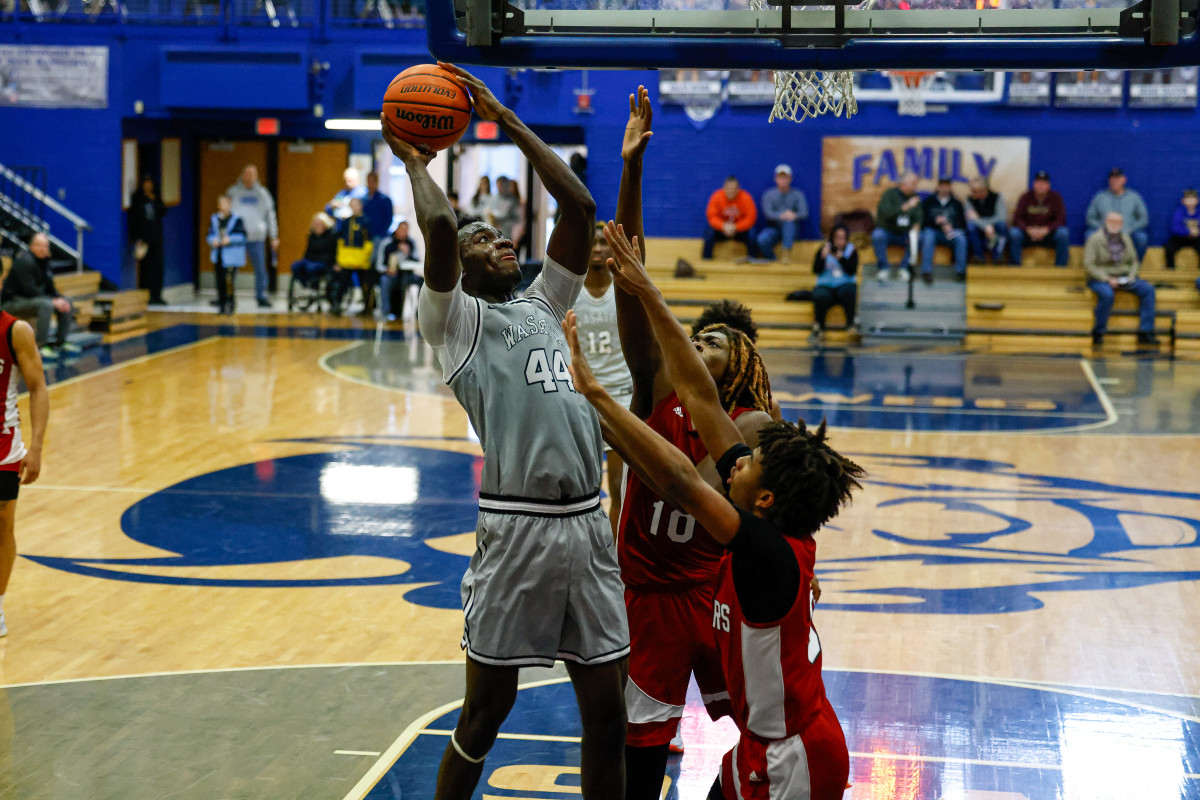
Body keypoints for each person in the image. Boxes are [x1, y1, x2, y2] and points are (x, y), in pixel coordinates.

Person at [380, 61, 628, 800]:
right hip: (517, 529)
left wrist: (507, 119)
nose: (499, 241)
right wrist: (416, 162)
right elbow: (435, 224)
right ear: (457, 264)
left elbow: (579, 206)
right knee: (486, 714)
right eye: (481, 239)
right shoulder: (455, 323)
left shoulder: (543, 304)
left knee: (608, 717)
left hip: (587, 525)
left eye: (497, 234)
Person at [567, 217, 864, 800]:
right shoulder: (762, 517)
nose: (738, 460)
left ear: (764, 499)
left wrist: (596, 394)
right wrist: (647, 289)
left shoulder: (757, 547)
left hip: (791, 755)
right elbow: (700, 395)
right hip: (756, 746)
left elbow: (680, 482)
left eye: (748, 464)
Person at [614, 86, 776, 800]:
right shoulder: (657, 392)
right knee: (640, 747)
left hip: (715, 591)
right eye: (695, 336)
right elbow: (630, 277)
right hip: (649, 592)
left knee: (762, 729)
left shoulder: (755, 432)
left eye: (713, 340)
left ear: (739, 363)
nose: (696, 344)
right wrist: (633, 171)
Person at [572, 222, 634, 535]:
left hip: (622, 397)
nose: (597, 248)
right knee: (584, 491)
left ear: (612, 247)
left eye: (603, 243)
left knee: (621, 491)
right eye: (592, 242)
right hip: (583, 398)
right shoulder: (569, 290)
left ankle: (616, 560)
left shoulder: (624, 287)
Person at [0, 279, 49, 638]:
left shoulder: (16, 331)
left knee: (3, 523)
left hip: (3, 445)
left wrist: (36, 447)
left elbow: (38, 388)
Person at [1084, 211, 1158, 346]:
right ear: (1106, 222)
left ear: (1122, 224)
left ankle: (1145, 331)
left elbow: (1135, 261)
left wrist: (1132, 275)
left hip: (1123, 276)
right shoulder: (1095, 239)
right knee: (1107, 295)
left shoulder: (1125, 238)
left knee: (1148, 289)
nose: (1114, 224)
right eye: (1112, 221)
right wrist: (1107, 279)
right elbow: (1089, 265)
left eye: (1118, 222)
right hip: (1101, 278)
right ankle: (1098, 331)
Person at [1, 234, 76, 360]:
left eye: (45, 246)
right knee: (46, 305)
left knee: (66, 301)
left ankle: (61, 341)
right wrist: (53, 300)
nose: (42, 249)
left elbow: (50, 287)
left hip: (31, 300)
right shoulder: (24, 262)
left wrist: (59, 299)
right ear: (32, 247)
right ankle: (40, 345)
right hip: (12, 303)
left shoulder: (44, 262)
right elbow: (28, 289)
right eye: (39, 246)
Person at [226, 165, 279, 309]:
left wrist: (274, 236)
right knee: (231, 269)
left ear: (256, 177)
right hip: (237, 238)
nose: (249, 177)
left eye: (252, 174)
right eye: (247, 174)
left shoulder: (263, 194)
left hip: (257, 238)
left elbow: (271, 216)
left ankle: (261, 296)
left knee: (260, 269)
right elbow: (225, 213)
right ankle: (228, 296)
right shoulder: (233, 192)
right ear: (242, 175)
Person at [1085, 167, 1149, 261]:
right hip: (1105, 232)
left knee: (1141, 238)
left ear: (1124, 180)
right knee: (1089, 234)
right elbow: (1089, 217)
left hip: (1127, 232)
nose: (1114, 181)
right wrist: (1101, 228)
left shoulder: (1134, 197)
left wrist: (1131, 228)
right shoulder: (1100, 197)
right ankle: (1097, 266)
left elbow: (1144, 218)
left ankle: (1134, 266)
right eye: (1112, 178)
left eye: (1117, 178)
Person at [871, 172, 922, 282]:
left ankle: (904, 268)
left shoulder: (914, 197)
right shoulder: (889, 194)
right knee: (877, 235)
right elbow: (885, 214)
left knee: (919, 237)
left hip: (905, 234)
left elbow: (919, 217)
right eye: (913, 183)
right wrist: (905, 207)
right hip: (888, 231)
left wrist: (917, 226)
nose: (915, 186)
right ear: (903, 183)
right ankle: (883, 268)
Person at [1011, 169, 1069, 266]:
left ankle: (1060, 268)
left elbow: (1061, 219)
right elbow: (1017, 219)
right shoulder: (1025, 197)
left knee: (1063, 233)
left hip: (1048, 234)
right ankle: (1015, 266)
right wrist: (1028, 229)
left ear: (1048, 185)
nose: (1041, 186)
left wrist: (1046, 229)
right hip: (1029, 234)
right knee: (1014, 233)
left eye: (1044, 183)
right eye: (1038, 183)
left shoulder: (1056, 198)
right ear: (1034, 184)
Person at [812, 224, 858, 339]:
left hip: (844, 284)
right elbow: (816, 270)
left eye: (842, 238)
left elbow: (851, 270)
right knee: (820, 295)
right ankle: (819, 326)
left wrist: (840, 258)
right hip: (826, 285)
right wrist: (822, 257)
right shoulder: (824, 249)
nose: (839, 241)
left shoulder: (851, 250)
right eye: (837, 237)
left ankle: (851, 324)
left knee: (849, 292)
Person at [329, 198, 374, 316]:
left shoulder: (366, 221)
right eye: (352, 205)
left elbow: (369, 239)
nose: (354, 207)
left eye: (356, 205)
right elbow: (341, 239)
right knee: (342, 280)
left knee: (364, 282)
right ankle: (337, 304)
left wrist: (367, 255)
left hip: (361, 257)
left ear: (361, 206)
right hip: (347, 258)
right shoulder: (346, 222)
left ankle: (367, 308)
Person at [919, 178, 968, 283]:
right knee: (928, 236)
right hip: (933, 231)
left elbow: (962, 223)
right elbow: (922, 221)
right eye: (942, 185)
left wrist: (952, 226)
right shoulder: (929, 202)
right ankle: (926, 271)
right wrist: (935, 221)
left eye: (947, 185)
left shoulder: (957, 203)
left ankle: (961, 272)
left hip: (950, 232)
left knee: (961, 239)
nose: (944, 188)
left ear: (950, 187)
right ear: (938, 187)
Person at [756, 164, 808, 262]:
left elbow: (804, 212)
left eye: (785, 177)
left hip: (792, 229)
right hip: (774, 228)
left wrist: (793, 215)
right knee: (762, 239)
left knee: (788, 222)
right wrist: (782, 215)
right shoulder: (768, 195)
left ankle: (786, 255)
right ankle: (772, 259)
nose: (783, 180)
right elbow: (768, 213)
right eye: (780, 177)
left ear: (790, 179)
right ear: (776, 179)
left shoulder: (798, 194)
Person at [129, 175, 167, 306]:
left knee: (158, 267)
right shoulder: (138, 198)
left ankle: (157, 295)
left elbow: (163, 211)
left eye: (150, 182)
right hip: (144, 238)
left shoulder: (156, 196)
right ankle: (146, 295)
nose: (148, 185)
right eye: (145, 182)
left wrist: (155, 200)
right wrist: (136, 237)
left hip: (157, 237)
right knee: (146, 268)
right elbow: (134, 218)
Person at [206, 195, 247, 315]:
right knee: (219, 280)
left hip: (231, 256)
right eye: (221, 204)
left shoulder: (237, 219)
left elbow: (242, 236)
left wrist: (230, 239)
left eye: (225, 203)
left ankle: (230, 302)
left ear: (230, 205)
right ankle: (221, 302)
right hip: (219, 254)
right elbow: (209, 234)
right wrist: (212, 240)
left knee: (228, 279)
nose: (223, 206)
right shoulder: (214, 219)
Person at [702, 176, 759, 260]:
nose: (731, 191)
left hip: (739, 231)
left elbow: (751, 218)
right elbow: (711, 216)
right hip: (722, 230)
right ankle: (706, 259)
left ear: (738, 189)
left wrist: (735, 227)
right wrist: (723, 226)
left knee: (752, 233)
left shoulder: (746, 198)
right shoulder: (716, 196)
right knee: (709, 232)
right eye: (729, 188)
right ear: (724, 188)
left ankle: (752, 259)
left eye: (734, 188)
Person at [380, 219, 420, 322]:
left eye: (406, 230)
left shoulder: (411, 242)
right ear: (397, 229)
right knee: (384, 280)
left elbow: (417, 260)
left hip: (407, 274)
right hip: (391, 275)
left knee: (423, 281)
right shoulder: (387, 242)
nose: (404, 232)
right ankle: (386, 312)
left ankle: (419, 313)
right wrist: (387, 269)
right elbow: (379, 265)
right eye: (402, 229)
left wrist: (408, 253)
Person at [290, 212, 338, 291]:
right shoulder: (311, 236)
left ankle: (314, 287)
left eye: (320, 224)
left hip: (324, 261)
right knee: (295, 266)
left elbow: (332, 253)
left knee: (311, 268)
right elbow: (308, 251)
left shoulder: (331, 236)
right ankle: (305, 284)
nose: (317, 226)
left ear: (325, 225)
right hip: (311, 259)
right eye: (316, 224)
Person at [965, 176, 1008, 264]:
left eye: (975, 191)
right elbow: (970, 219)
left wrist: (987, 224)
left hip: (994, 228)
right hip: (979, 229)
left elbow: (1001, 217)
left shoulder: (997, 197)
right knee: (970, 227)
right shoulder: (969, 200)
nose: (972, 193)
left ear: (985, 190)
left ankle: (998, 256)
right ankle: (979, 256)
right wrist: (985, 226)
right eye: (971, 190)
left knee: (1002, 226)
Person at [362, 172, 395, 273]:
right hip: (366, 236)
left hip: (379, 235)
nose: (370, 183)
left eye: (372, 181)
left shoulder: (384, 200)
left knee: (376, 261)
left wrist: (379, 233)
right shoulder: (364, 199)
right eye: (368, 181)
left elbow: (389, 218)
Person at [1164, 188, 1200, 272]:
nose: (1191, 201)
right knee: (1169, 247)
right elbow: (1175, 228)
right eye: (1188, 198)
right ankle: (1170, 268)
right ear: (1183, 201)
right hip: (1182, 238)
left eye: (1193, 198)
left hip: (1197, 238)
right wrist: (1188, 232)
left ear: (1197, 200)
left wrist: (1197, 232)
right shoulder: (1179, 212)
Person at [488, 176, 525, 250]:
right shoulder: (493, 199)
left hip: (508, 234)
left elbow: (517, 221)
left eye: (501, 185)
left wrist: (516, 238)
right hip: (495, 234)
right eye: (498, 186)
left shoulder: (512, 201)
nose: (499, 188)